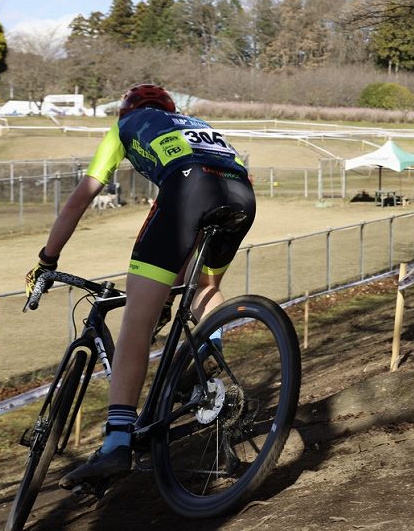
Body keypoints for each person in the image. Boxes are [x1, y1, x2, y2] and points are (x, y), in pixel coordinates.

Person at [25, 84, 256, 487]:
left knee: (136, 321)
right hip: (242, 193)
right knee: (202, 285)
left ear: (125, 110)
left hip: (189, 188)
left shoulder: (125, 125)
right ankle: (206, 356)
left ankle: (116, 443)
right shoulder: (195, 123)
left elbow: (80, 200)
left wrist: (47, 258)